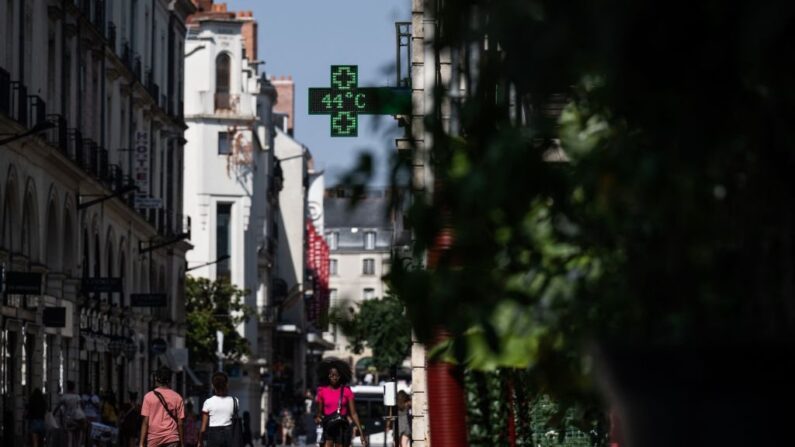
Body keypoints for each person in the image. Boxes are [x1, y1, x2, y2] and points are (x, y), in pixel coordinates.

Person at [314, 367, 367, 447]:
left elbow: (354, 413)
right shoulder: (322, 391)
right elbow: (319, 412)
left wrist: (361, 432)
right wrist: (318, 417)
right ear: (328, 376)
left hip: (342, 427)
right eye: (332, 375)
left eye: (337, 375)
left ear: (340, 376)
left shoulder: (347, 391)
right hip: (328, 427)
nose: (334, 378)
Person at [140, 367, 185, 447]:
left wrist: (141, 443)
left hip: (154, 438)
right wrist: (182, 443)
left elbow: (145, 422)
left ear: (156, 378)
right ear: (170, 380)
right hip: (172, 438)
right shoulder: (177, 397)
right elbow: (180, 423)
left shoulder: (148, 397)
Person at [199, 371, 239, 447]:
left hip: (213, 436)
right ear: (227, 384)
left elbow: (203, 428)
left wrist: (200, 441)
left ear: (213, 386)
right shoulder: (235, 401)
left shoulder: (208, 402)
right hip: (229, 435)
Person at [55, 381, 86, 447]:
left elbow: (57, 407)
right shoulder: (77, 396)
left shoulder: (64, 397)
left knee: (69, 438)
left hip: (68, 419)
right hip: (77, 418)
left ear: (67, 387)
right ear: (74, 388)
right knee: (78, 437)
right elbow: (83, 405)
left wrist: (53, 414)